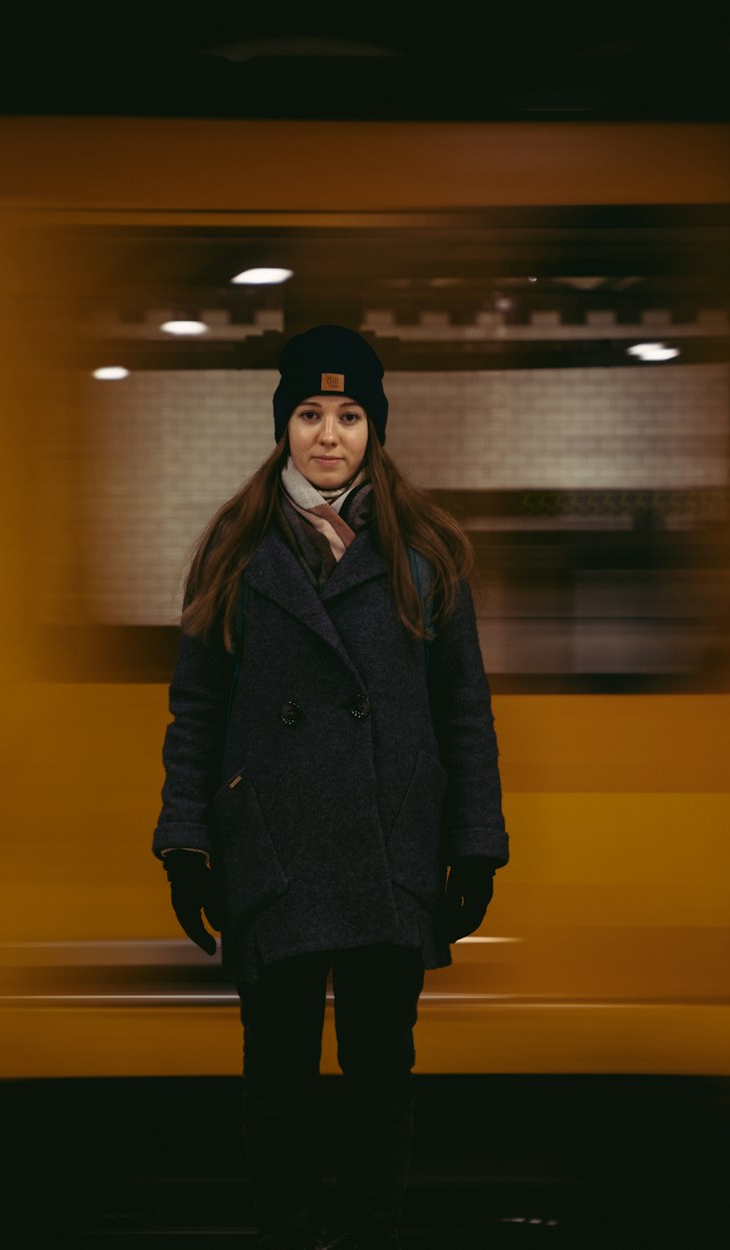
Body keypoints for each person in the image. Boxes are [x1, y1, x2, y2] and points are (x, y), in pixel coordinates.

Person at [153, 324, 508, 1250]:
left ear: (374, 429)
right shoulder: (233, 551)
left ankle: (370, 1234)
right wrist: (187, 843)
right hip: (270, 854)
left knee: (381, 1075)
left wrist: (474, 843)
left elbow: (464, 713)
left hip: (389, 852)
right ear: (284, 426)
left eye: (349, 415)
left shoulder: (427, 554)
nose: (328, 434)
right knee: (276, 1082)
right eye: (309, 412)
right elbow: (196, 713)